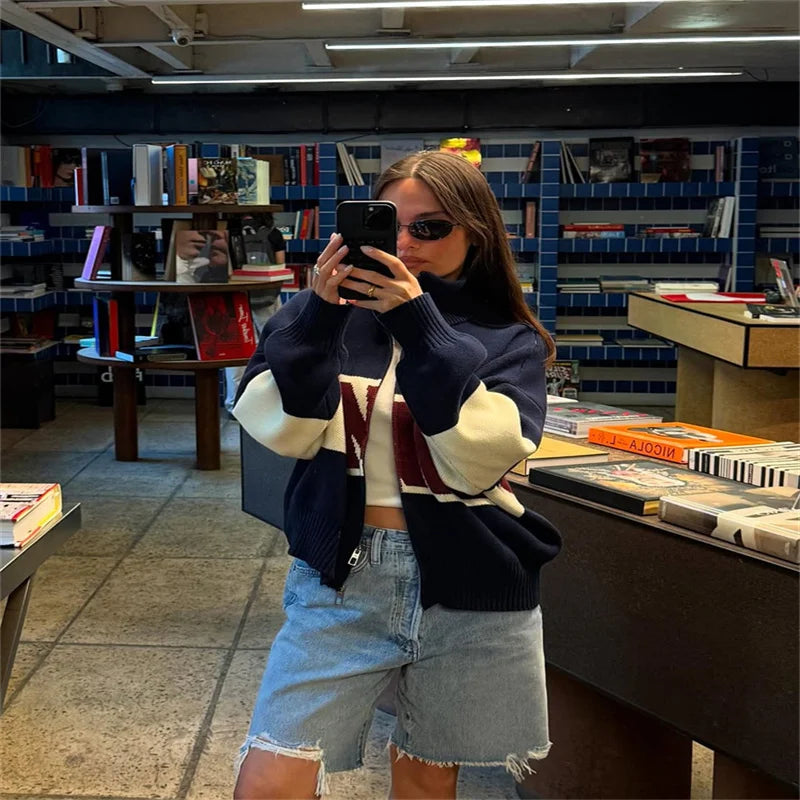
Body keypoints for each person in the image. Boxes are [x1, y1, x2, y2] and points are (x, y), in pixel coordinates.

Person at [231, 150, 562, 800]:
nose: (405, 243)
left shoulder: (506, 339)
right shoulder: (320, 318)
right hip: (344, 579)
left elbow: (479, 459)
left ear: (476, 234)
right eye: (388, 223)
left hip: (472, 584)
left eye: (430, 227)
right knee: (270, 779)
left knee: (427, 781)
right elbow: (282, 429)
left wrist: (420, 326)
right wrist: (320, 316)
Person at [224, 213, 287, 414]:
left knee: (236, 352)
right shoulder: (273, 233)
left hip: (235, 297)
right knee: (271, 348)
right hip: (266, 298)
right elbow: (280, 267)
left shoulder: (227, 232)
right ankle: (269, 402)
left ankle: (235, 404)